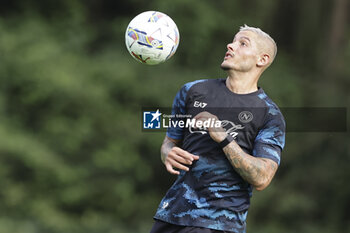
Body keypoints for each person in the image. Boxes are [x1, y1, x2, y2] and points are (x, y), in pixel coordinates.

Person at [150, 25, 286, 233]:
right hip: (171, 217)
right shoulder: (192, 91)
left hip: (218, 223)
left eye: (242, 44)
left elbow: (262, 178)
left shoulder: (269, 114)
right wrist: (167, 153)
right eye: (233, 41)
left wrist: (223, 137)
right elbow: (169, 142)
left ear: (262, 59)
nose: (230, 46)